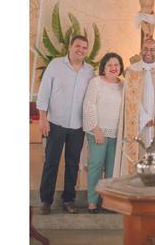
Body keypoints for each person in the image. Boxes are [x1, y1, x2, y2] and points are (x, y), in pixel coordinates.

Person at [36, 35, 94, 215]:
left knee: (72, 164)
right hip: (55, 123)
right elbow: (44, 92)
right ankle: (46, 200)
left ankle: (69, 200)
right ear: (70, 47)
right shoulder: (55, 65)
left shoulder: (89, 70)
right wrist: (43, 119)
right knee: (51, 162)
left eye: (84, 47)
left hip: (78, 126)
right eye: (78, 46)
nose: (81, 50)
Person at [113, 38, 155, 177]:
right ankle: (137, 188)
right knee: (140, 152)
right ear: (141, 50)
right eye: (145, 49)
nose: (148, 52)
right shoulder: (132, 71)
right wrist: (145, 117)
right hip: (138, 122)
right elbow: (130, 98)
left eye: (152, 49)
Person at [82, 53, 124, 214]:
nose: (114, 68)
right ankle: (92, 201)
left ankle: (109, 201)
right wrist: (95, 129)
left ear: (120, 67)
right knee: (95, 166)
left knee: (113, 168)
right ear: (104, 68)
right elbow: (89, 105)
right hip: (98, 132)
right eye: (110, 65)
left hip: (117, 133)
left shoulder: (124, 85)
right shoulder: (96, 83)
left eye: (117, 65)